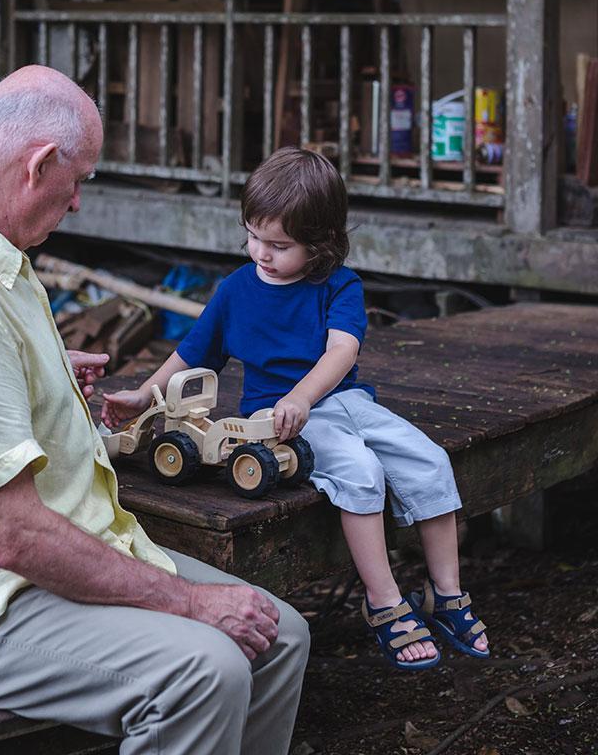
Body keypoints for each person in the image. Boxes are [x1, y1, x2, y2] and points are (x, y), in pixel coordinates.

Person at [0, 66, 310, 755]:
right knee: (205, 671)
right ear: (38, 165)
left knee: (280, 635)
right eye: (79, 178)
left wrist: (44, 374)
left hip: (13, 561)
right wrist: (190, 604)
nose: (79, 201)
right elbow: (13, 537)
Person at [103, 146, 489, 672]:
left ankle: (445, 592)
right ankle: (383, 602)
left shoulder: (338, 284)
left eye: (279, 245)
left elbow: (342, 350)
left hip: (340, 402)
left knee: (428, 459)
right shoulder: (236, 290)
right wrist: (144, 395)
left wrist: (305, 395)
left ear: (321, 243)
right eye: (253, 236)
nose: (261, 252)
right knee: (360, 470)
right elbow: (192, 352)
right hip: (277, 420)